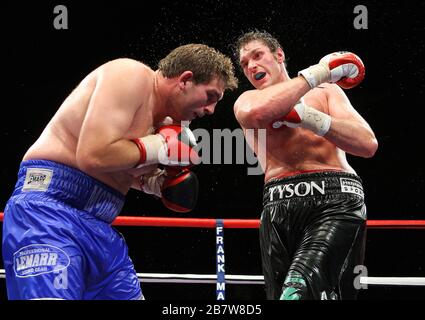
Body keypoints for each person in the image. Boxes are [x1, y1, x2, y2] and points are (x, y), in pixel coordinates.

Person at [2, 43, 238, 300]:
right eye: (211, 96)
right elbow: (92, 156)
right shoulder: (131, 76)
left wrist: (154, 184)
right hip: (49, 212)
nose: (211, 110)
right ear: (185, 80)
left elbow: (111, 166)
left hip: (99, 225)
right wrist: (159, 146)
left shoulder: (163, 123)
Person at [233, 30, 378, 300]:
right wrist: (318, 72)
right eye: (244, 64)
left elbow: (367, 144)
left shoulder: (326, 92)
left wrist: (309, 117)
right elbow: (257, 114)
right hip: (278, 207)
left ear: (279, 56)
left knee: (296, 292)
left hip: (336, 200)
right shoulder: (248, 101)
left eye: (257, 56)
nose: (251, 66)